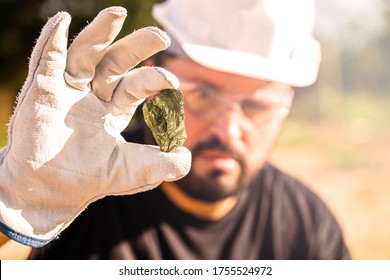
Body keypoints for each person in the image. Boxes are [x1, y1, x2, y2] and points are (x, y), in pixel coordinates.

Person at [0, 0, 350, 259]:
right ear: (152, 77)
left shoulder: (307, 226)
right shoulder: (83, 189)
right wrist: (13, 199)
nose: (227, 130)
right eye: (202, 94)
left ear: (286, 105)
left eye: (256, 106)